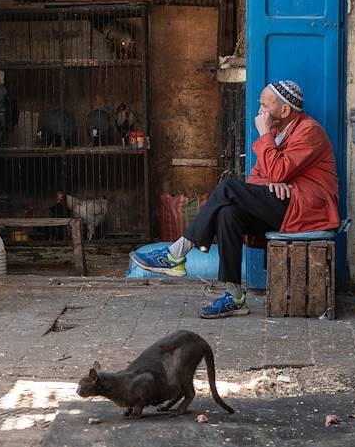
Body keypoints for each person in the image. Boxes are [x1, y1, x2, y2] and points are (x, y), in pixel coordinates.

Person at [130, 80, 339, 318]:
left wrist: (266, 143)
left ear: (284, 111)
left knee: (228, 186)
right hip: (285, 204)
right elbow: (259, 178)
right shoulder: (276, 134)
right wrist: (275, 180)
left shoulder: (309, 131)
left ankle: (176, 254)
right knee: (228, 213)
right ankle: (234, 296)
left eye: (264, 106)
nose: (259, 111)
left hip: (309, 209)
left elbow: (278, 171)